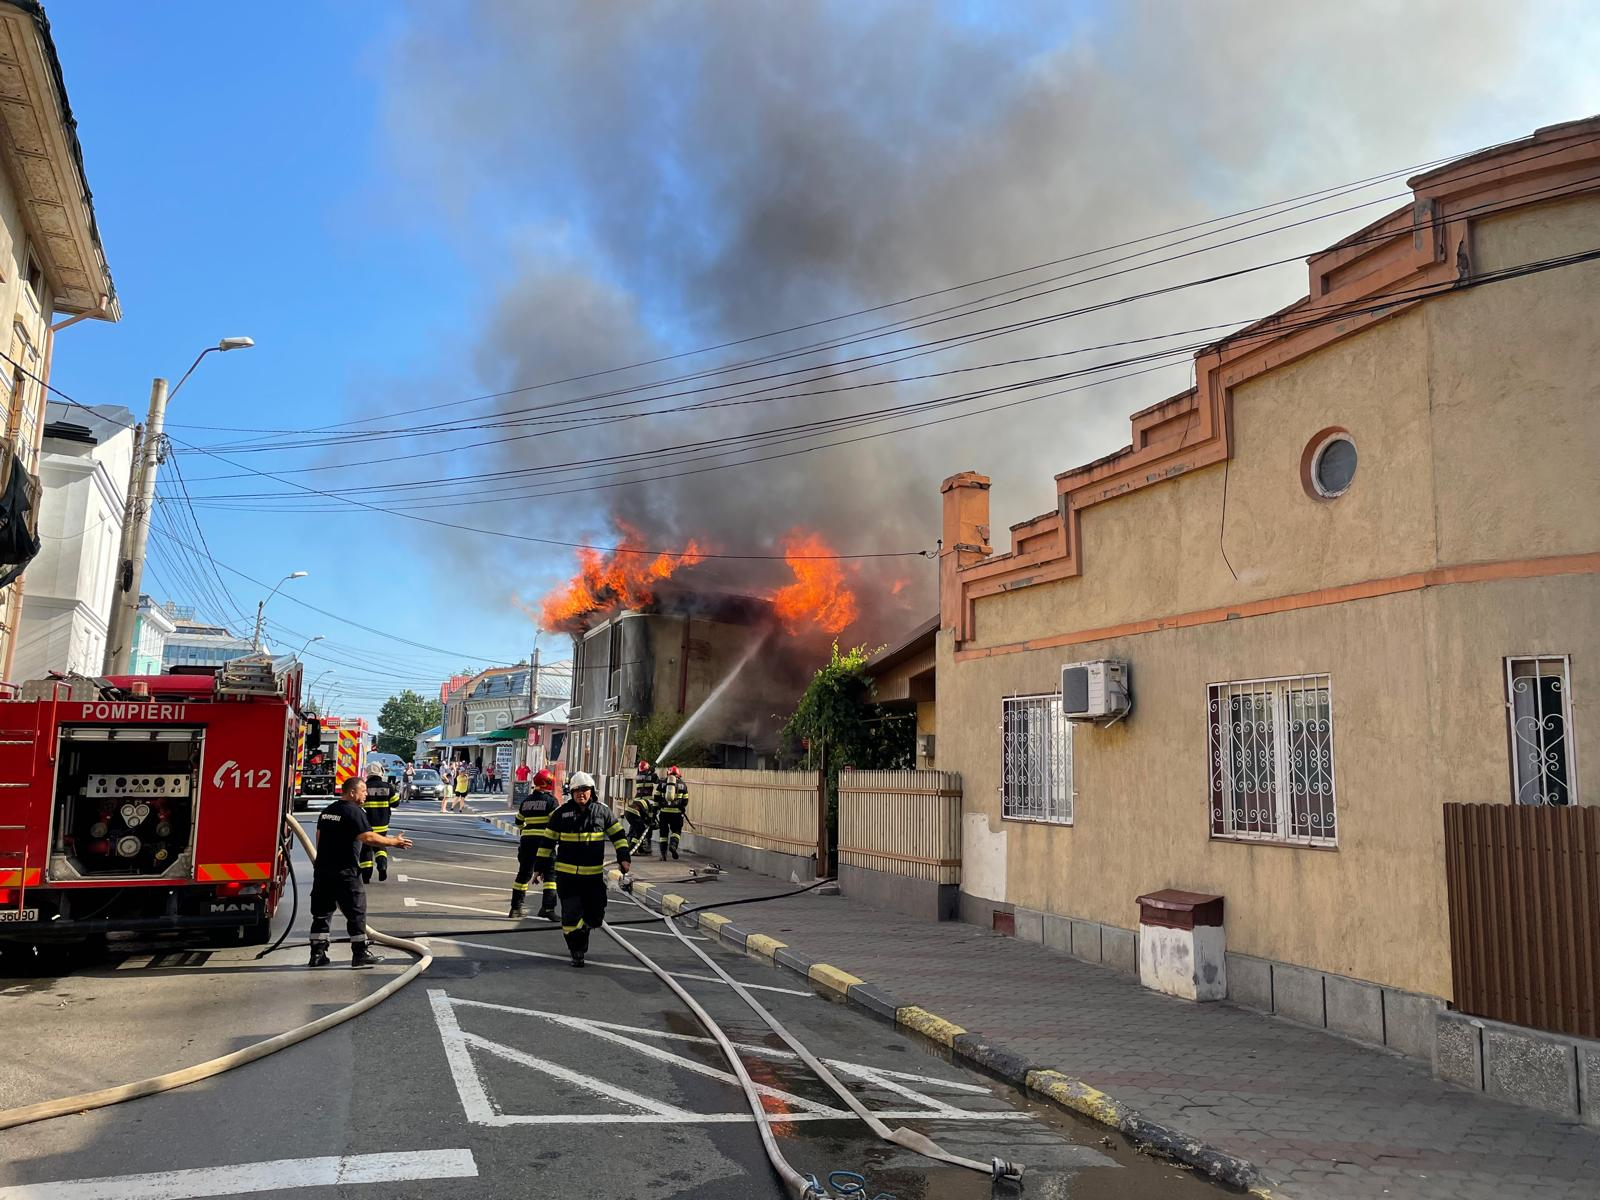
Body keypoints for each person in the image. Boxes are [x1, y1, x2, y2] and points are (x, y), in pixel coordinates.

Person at [309, 776, 412, 969]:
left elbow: (319, 836)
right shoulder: (354, 812)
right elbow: (368, 837)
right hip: (345, 871)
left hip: (323, 871)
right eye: (363, 790)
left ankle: (317, 954)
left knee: (322, 913)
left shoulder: (328, 811)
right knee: (356, 912)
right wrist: (394, 842)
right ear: (352, 792)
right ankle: (359, 953)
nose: (366, 794)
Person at [537, 771, 630, 967]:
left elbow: (618, 835)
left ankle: (583, 931)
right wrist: (540, 867)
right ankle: (576, 951)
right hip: (568, 878)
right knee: (570, 916)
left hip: (593, 878)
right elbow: (547, 842)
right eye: (577, 790)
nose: (581, 794)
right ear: (571, 792)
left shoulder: (602, 812)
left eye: (585, 790)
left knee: (596, 916)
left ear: (592, 791)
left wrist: (623, 857)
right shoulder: (560, 814)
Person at [508, 768, 560, 921]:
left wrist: (526, 831)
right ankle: (548, 908)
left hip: (527, 842)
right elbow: (556, 822)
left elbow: (518, 821)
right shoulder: (551, 801)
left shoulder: (526, 801)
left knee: (524, 873)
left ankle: (515, 908)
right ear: (549, 783)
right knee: (550, 874)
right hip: (545, 841)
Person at [358, 765, 399, 882]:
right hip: (382, 824)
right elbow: (395, 803)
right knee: (380, 845)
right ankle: (382, 866)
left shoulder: (364, 787)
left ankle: (366, 875)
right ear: (381, 772)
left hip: (366, 824)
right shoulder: (387, 786)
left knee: (366, 848)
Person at [625, 760, 659, 854]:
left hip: (637, 801)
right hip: (646, 802)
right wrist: (653, 772)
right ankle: (643, 845)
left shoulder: (638, 776)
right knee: (645, 826)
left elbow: (645, 775)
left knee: (634, 827)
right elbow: (656, 780)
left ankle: (633, 845)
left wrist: (650, 771)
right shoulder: (650, 776)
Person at [657, 764, 689, 860]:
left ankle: (663, 855)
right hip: (677, 813)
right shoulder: (683, 785)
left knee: (663, 834)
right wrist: (681, 807)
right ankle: (673, 845)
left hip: (664, 813)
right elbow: (685, 801)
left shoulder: (662, 783)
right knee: (676, 831)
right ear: (678, 774)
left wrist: (655, 810)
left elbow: (656, 798)